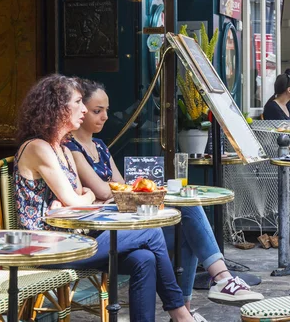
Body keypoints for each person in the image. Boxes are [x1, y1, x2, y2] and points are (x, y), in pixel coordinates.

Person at [14, 74, 199, 322]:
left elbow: (80, 198)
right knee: (152, 232)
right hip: (48, 249)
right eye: (78, 102)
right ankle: (180, 314)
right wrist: (79, 199)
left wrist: (81, 198)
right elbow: (76, 200)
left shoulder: (64, 150)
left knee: (144, 259)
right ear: (57, 107)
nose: (83, 109)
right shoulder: (39, 147)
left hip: (75, 239)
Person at [66, 79, 263, 309]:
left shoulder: (100, 145)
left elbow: (120, 187)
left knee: (185, 226)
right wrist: (108, 190)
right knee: (187, 219)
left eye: (106, 110)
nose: (105, 116)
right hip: (104, 233)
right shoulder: (72, 148)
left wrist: (110, 190)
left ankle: (207, 290)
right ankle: (219, 280)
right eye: (97, 111)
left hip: (126, 223)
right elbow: (105, 189)